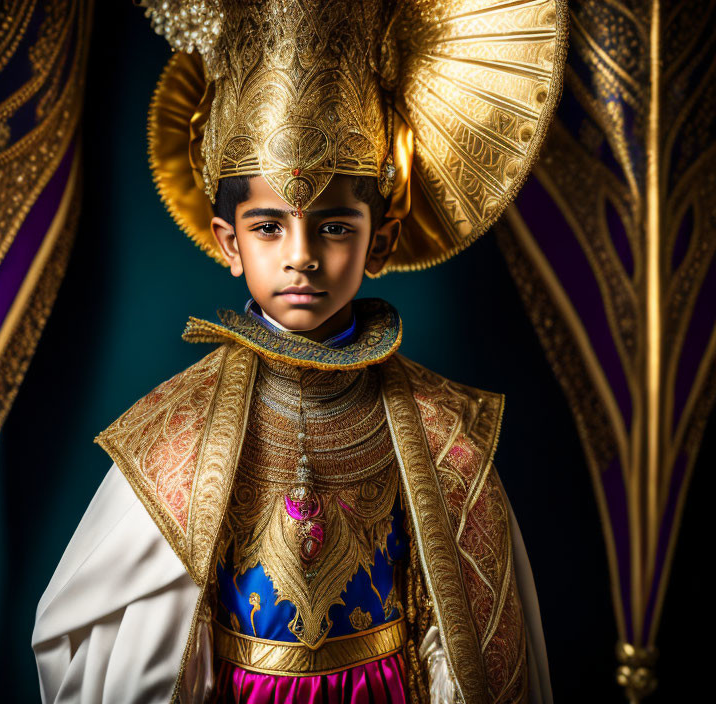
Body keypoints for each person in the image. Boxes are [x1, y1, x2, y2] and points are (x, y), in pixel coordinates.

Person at [32, 1, 566, 702]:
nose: (303, 258)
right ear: (229, 242)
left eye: (335, 226)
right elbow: (135, 652)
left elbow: (463, 649)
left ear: (382, 236)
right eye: (269, 227)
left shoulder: (442, 437)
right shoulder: (181, 436)